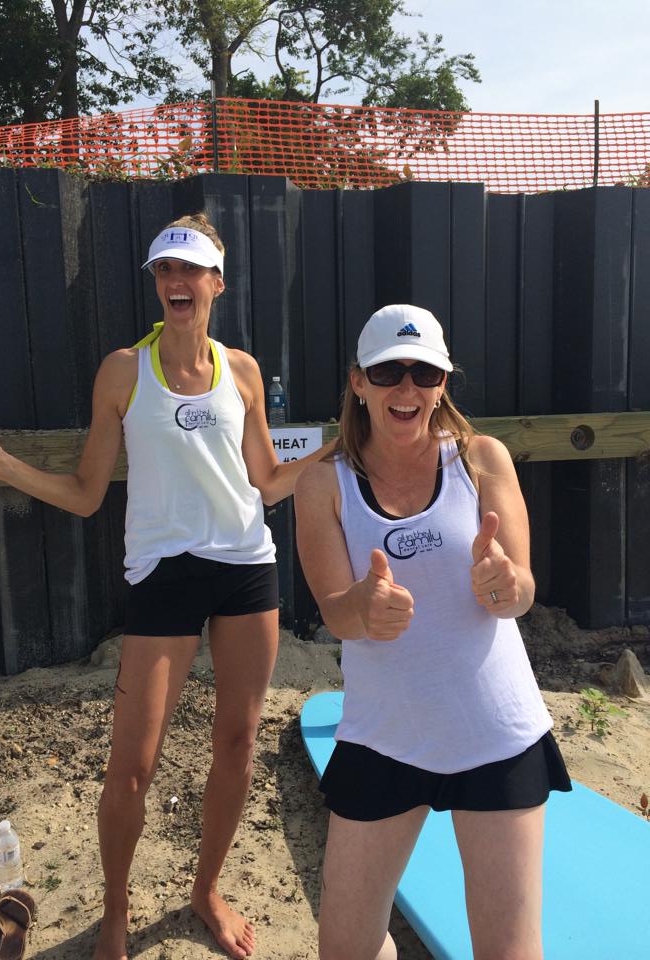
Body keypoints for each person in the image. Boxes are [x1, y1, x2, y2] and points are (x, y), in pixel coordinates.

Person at [0, 213, 331, 960]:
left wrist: (344, 446)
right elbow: (86, 494)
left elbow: (270, 482)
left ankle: (206, 889)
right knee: (131, 766)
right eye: (164, 271)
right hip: (163, 575)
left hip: (247, 566)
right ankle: (114, 912)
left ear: (217, 281)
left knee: (238, 743)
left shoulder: (241, 370)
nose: (177, 283)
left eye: (191, 270)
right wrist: (0, 466)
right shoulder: (123, 371)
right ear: (157, 283)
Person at [294, 304, 572, 960]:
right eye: (390, 371)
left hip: (495, 734)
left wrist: (506, 585)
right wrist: (364, 606)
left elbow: (524, 591)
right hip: (385, 736)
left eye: (425, 372)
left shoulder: (482, 460)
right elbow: (334, 611)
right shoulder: (321, 483)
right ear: (358, 381)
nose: (407, 388)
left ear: (444, 383)